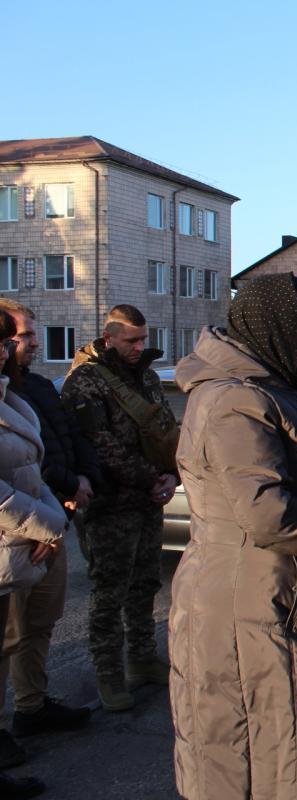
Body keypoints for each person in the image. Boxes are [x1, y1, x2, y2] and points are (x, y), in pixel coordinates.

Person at [168, 274, 297, 800]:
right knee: (258, 758)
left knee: (289, 745)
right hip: (245, 608)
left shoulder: (266, 392)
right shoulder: (236, 402)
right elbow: (267, 516)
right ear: (275, 329)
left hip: (270, 597)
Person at [60, 305, 178, 712]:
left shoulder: (145, 375)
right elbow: (100, 445)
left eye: (143, 339)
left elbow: (164, 429)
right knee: (110, 591)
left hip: (147, 501)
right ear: (108, 337)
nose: (139, 347)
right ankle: (109, 673)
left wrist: (170, 475)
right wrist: (152, 478)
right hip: (110, 506)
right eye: (131, 340)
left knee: (145, 584)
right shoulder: (86, 381)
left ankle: (143, 657)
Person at [0, 301, 94, 764]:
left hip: (47, 522)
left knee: (38, 625)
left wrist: (78, 480)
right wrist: (46, 519)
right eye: (21, 336)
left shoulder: (29, 389)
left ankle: (31, 705)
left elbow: (60, 444)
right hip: (19, 533)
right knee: (9, 636)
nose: (32, 343)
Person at [0, 310, 67, 800]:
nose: (6, 351)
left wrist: (53, 521)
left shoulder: (14, 395)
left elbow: (34, 466)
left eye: (7, 343)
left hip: (21, 539)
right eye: (2, 342)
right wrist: (44, 522)